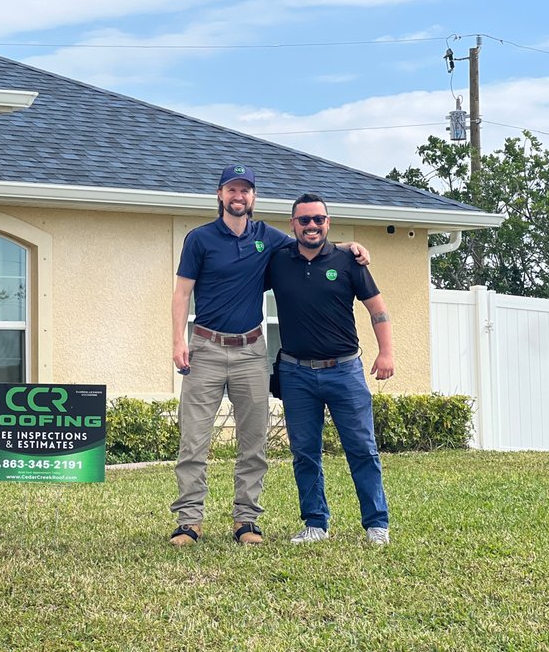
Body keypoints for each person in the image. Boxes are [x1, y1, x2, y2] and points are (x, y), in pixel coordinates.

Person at [169, 166, 368, 547]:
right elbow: (182, 293)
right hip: (206, 349)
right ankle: (189, 522)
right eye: (231, 189)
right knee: (193, 441)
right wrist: (179, 341)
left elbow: (310, 244)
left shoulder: (268, 238)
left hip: (251, 351)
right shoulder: (199, 239)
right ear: (220, 195)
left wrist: (349, 247)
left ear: (253, 197)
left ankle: (246, 520)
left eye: (245, 190)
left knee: (253, 442)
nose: (238, 196)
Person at [266, 192, 394, 546]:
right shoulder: (278, 261)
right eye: (304, 220)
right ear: (293, 224)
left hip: (345, 371)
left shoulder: (349, 260)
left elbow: (378, 309)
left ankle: (376, 524)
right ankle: (315, 524)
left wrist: (386, 353)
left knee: (362, 449)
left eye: (318, 219)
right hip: (295, 373)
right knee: (304, 453)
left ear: (328, 223)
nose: (312, 225)